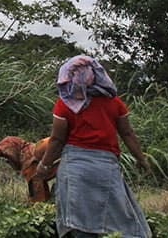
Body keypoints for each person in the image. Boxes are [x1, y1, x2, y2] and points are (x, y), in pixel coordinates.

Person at [34, 55, 151, 238]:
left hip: (74, 169)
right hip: (106, 167)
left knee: (80, 223)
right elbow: (127, 133)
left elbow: (57, 140)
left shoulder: (66, 104)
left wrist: (44, 165)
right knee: (117, 219)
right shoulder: (113, 102)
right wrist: (141, 159)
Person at [0, 135, 57, 203]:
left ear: (14, 150)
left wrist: (35, 207)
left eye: (6, 156)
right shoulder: (32, 150)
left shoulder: (29, 161)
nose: (6, 161)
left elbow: (37, 194)